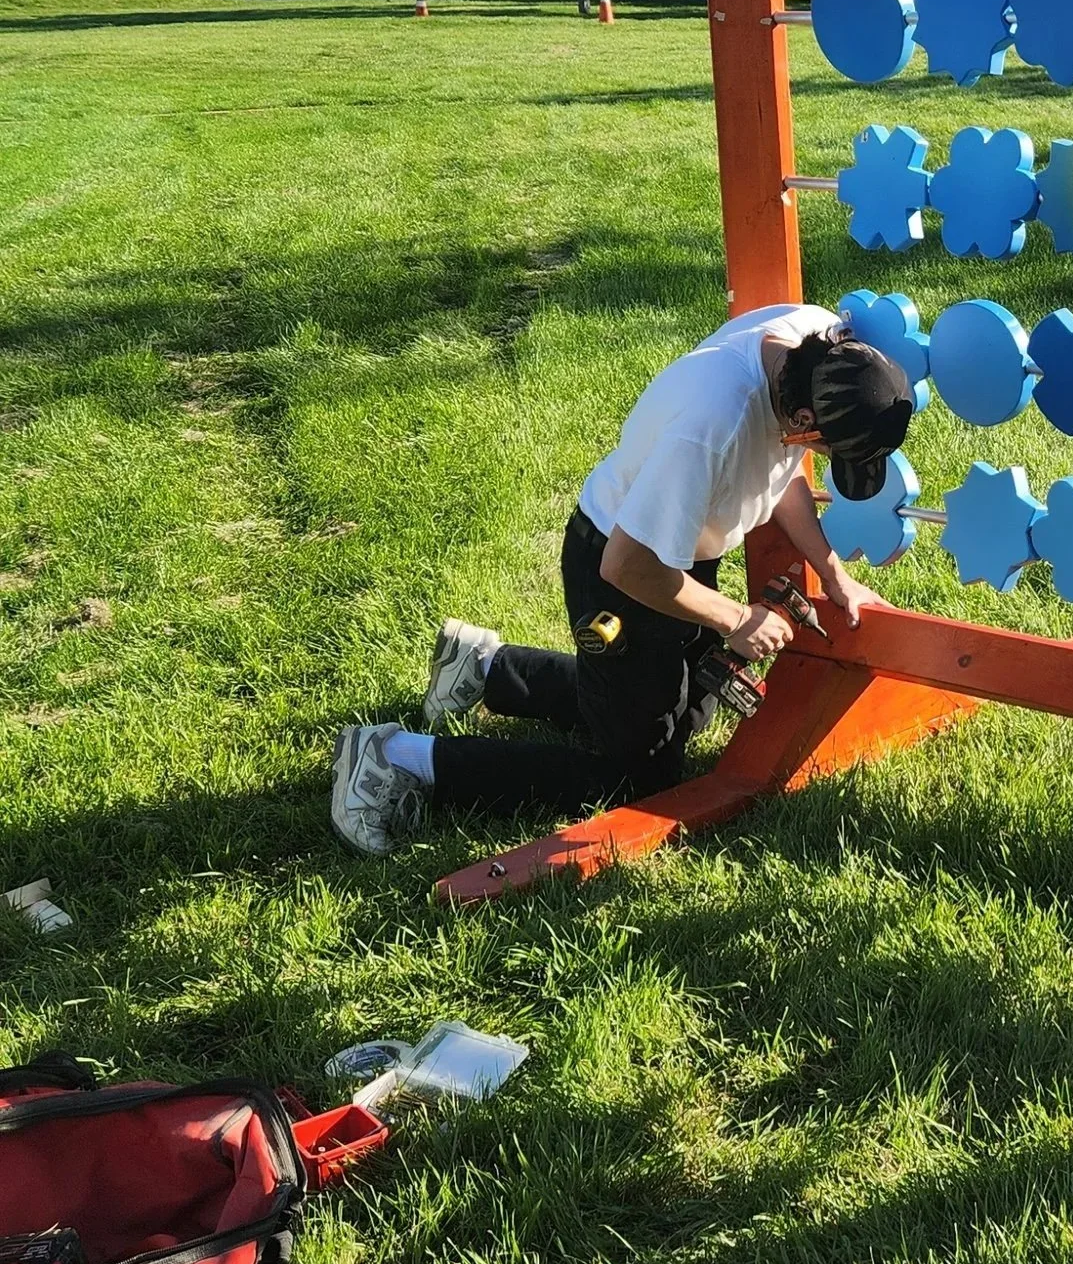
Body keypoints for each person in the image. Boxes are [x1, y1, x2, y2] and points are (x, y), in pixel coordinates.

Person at [329, 303, 914, 854]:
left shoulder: (812, 342)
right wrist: (737, 618)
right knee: (638, 775)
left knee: (687, 714)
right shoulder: (713, 427)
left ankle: (484, 668)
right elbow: (630, 566)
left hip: (679, 550)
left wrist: (833, 572)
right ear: (804, 417)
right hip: (623, 569)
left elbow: (783, 472)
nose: (810, 455)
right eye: (821, 444)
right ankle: (396, 758)